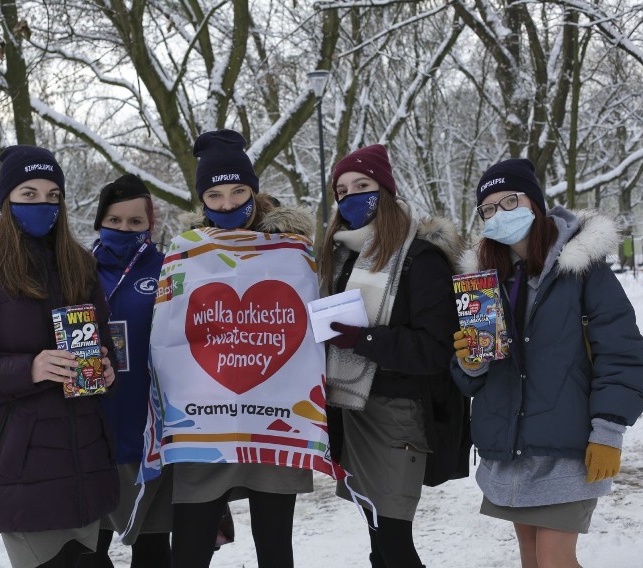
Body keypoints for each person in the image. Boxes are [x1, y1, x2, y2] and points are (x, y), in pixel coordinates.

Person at [450, 158, 643, 568]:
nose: (499, 214)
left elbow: (624, 355)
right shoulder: (483, 283)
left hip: (568, 448)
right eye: (488, 209)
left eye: (510, 201)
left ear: (535, 203)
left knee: (554, 562)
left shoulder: (583, 270)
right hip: (511, 449)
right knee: (532, 561)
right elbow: (472, 378)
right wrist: (470, 362)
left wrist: (608, 432)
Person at [0, 145, 119, 568]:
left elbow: (103, 346)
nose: (43, 205)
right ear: (6, 200)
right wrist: (29, 368)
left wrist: (106, 371)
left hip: (86, 463)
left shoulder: (80, 266)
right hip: (21, 471)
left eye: (53, 195)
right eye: (29, 194)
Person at [166, 129, 316, 568]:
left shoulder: (294, 250)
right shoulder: (184, 255)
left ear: (254, 190)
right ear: (202, 200)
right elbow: (171, 331)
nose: (228, 204)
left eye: (238, 191)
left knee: (275, 549)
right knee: (190, 548)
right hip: (203, 425)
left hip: (274, 420)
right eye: (214, 195)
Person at [318, 144, 463, 568]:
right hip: (350, 410)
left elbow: (435, 349)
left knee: (394, 541)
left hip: (400, 413)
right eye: (342, 191)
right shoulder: (342, 256)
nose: (350, 197)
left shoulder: (421, 258)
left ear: (386, 191)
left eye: (362, 186)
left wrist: (361, 339)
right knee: (379, 541)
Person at [76, 174, 171, 568]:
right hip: (91, 435)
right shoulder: (77, 270)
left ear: (150, 224)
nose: (124, 229)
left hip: (149, 433)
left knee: (151, 552)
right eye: (114, 220)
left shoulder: (168, 267)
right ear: (100, 222)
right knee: (87, 553)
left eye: (136, 222)